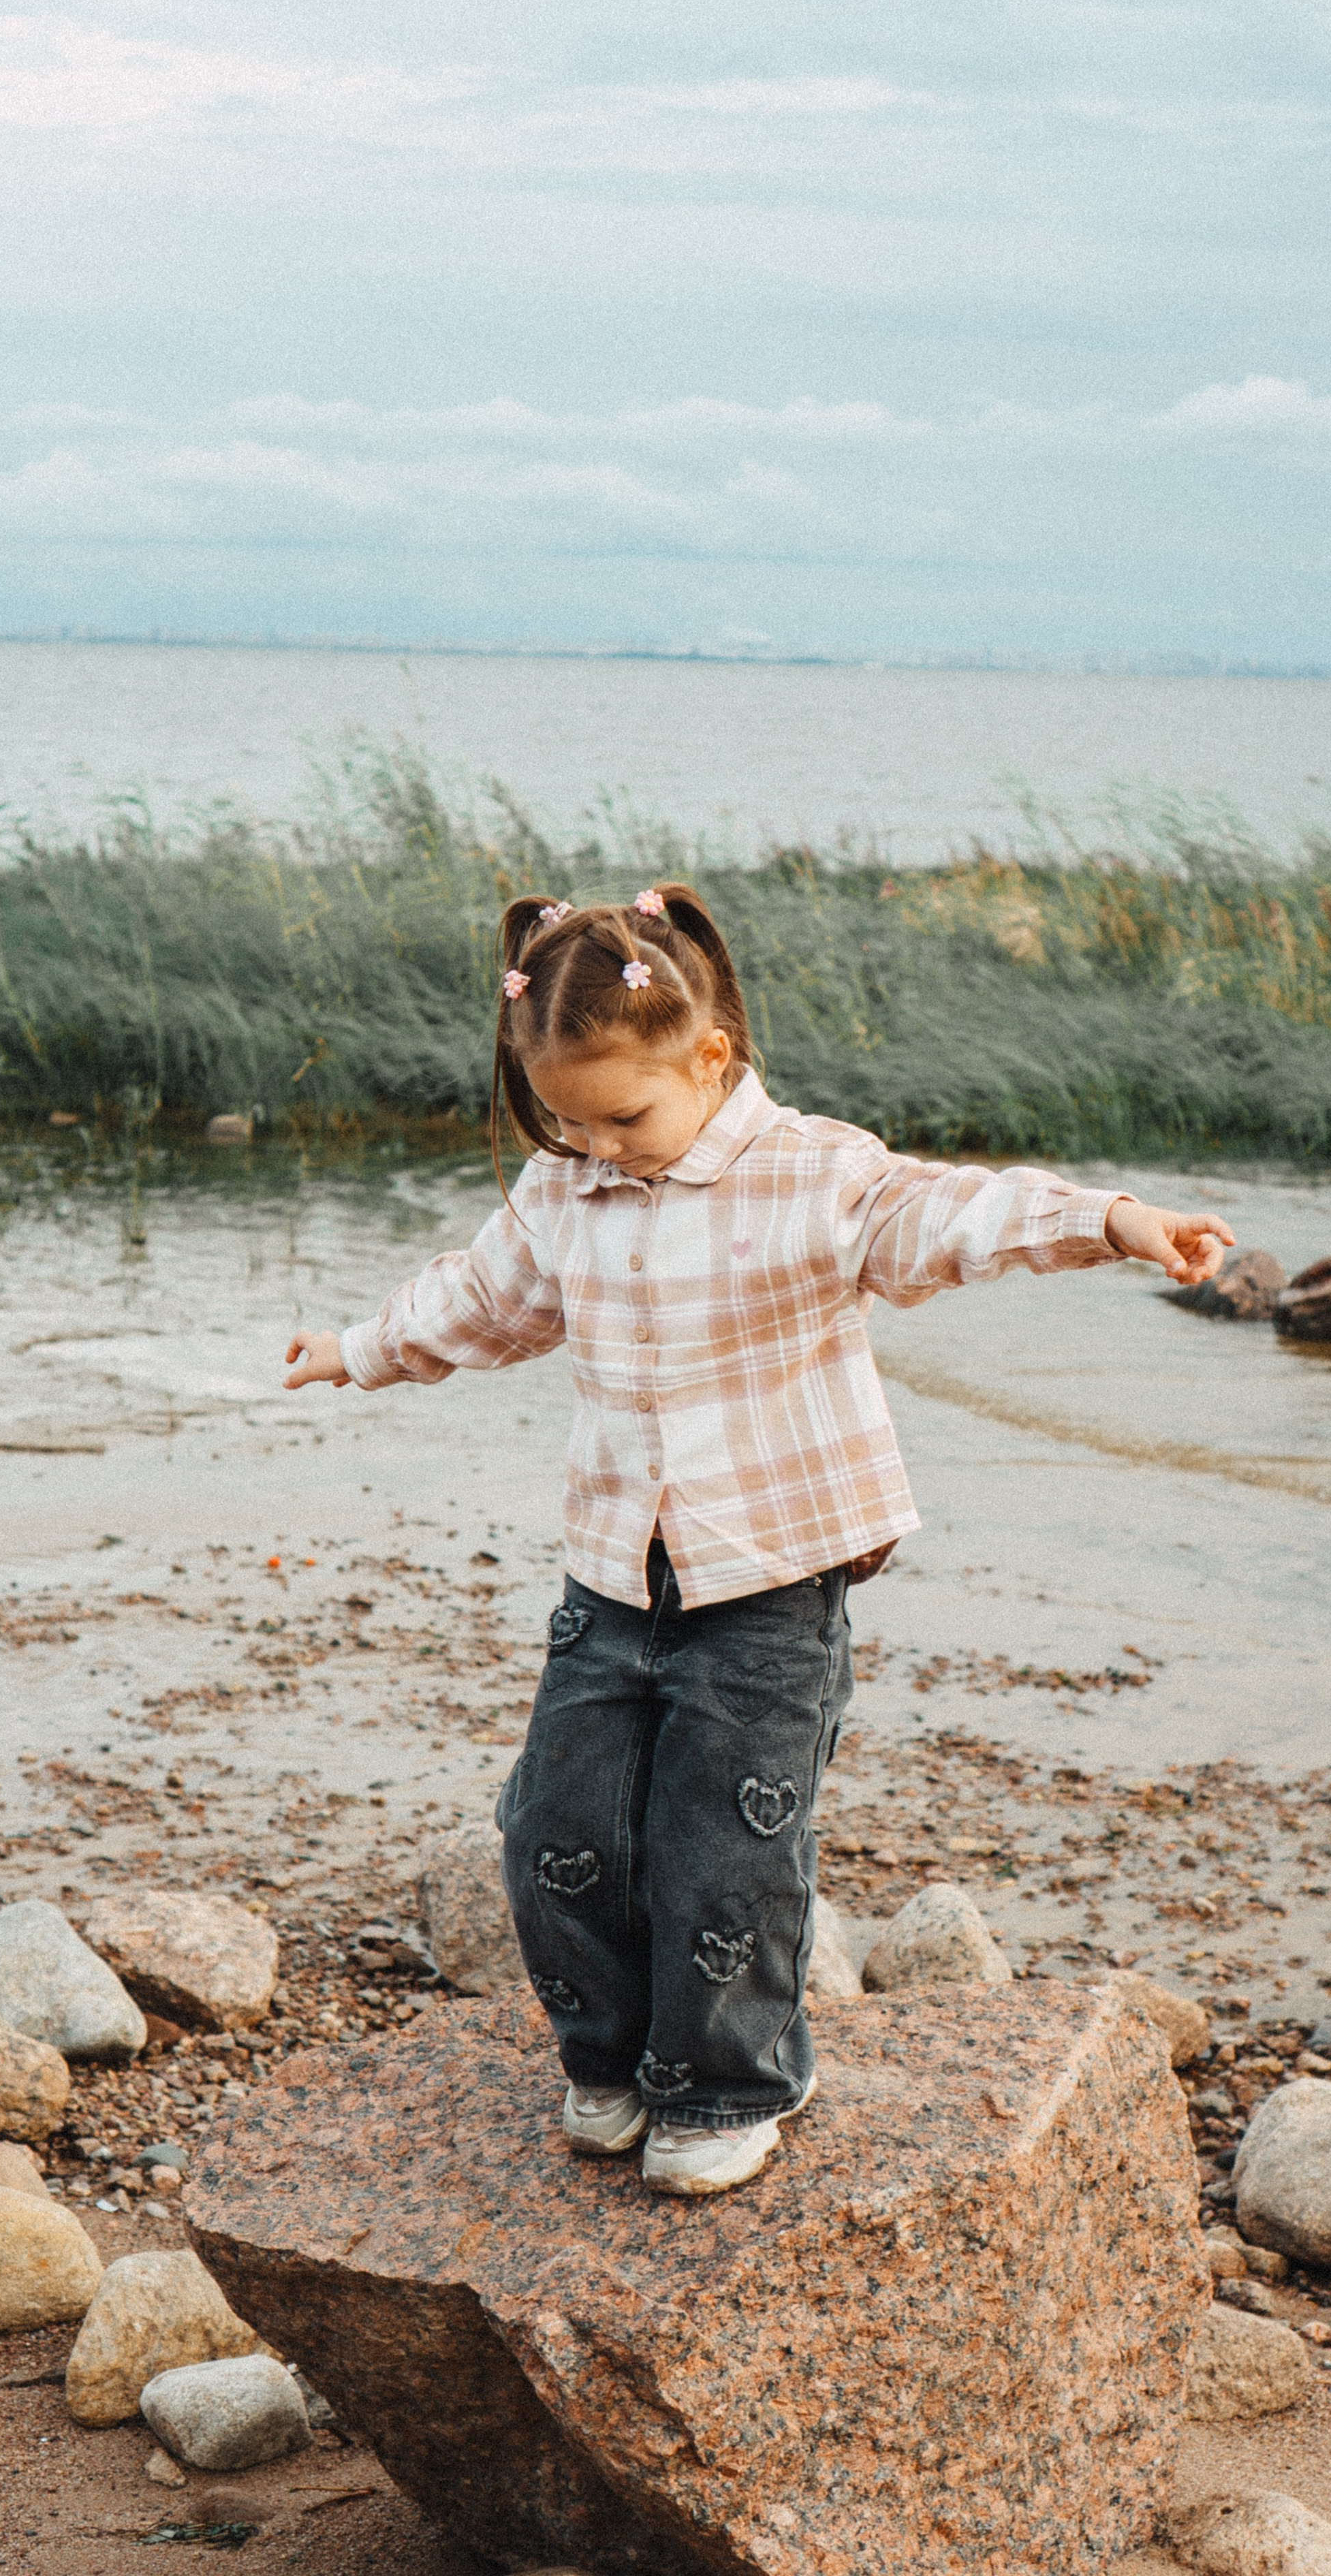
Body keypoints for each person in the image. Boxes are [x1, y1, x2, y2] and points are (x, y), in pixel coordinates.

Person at [284, 883, 1234, 2195]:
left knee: (724, 1841)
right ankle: (613, 2059)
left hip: (773, 1580)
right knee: (552, 1827)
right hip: (615, 1573)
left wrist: (1109, 1220)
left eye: (624, 1115)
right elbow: (485, 1297)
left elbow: (954, 1217)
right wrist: (356, 1350)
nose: (595, 1143)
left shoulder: (813, 1173)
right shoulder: (569, 1189)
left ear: (710, 1060)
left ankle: (727, 2086)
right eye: (563, 1118)